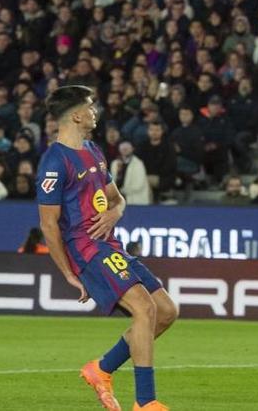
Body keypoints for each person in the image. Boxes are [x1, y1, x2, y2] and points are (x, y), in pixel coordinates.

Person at [36, 85, 177, 411]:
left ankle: (100, 369)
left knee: (167, 312)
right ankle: (145, 402)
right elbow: (48, 225)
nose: (94, 111)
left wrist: (115, 212)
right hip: (87, 249)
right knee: (144, 309)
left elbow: (117, 199)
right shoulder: (54, 162)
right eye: (90, 106)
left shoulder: (94, 150)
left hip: (111, 245)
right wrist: (70, 274)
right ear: (75, 115)